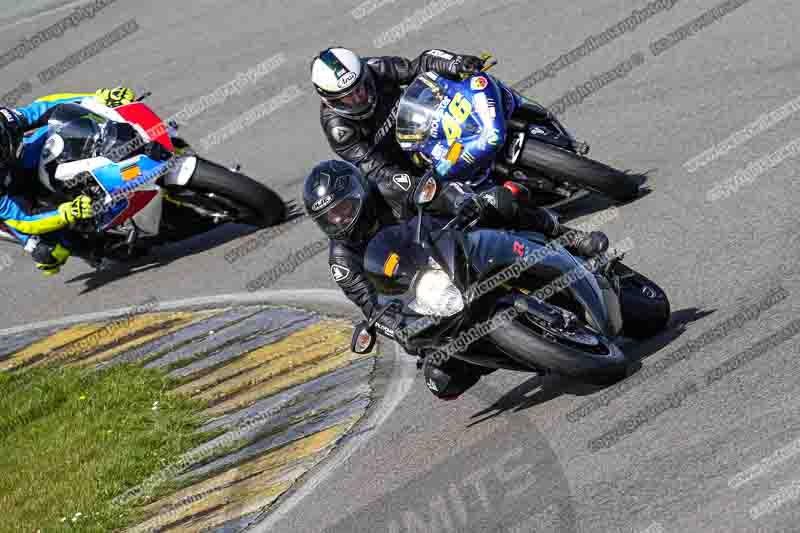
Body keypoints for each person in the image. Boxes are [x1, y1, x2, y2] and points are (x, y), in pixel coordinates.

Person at [304, 159, 609, 400]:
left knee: (498, 202)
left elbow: (436, 191)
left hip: (454, 241)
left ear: (360, 192)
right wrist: (396, 328)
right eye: (330, 218)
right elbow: (371, 306)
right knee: (440, 378)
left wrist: (461, 203)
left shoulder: (388, 186)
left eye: (343, 209)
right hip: (426, 291)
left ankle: (569, 238)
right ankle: (521, 351)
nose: (340, 220)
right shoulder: (342, 262)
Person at [311, 47, 558, 190]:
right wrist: (407, 183)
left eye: (361, 87)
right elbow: (374, 168)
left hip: (427, 114)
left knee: (472, 86)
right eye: (348, 97)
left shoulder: (374, 67)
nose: (360, 97)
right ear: (330, 100)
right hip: (410, 159)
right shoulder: (339, 129)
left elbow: (420, 64)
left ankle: (528, 115)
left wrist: (456, 63)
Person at [0, 87, 136, 276]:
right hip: (12, 201)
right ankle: (95, 250)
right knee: (49, 252)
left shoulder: (4, 120)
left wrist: (95, 98)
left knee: (65, 133)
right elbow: (23, 219)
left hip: (22, 160)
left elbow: (43, 107)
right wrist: (67, 213)